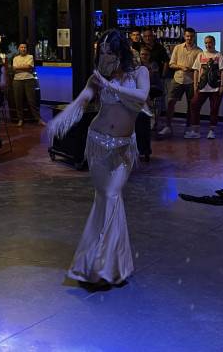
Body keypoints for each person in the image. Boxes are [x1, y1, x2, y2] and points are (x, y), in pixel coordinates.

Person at [48, 29, 150, 287]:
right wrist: (59, 121)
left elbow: (142, 97)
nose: (106, 58)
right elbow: (83, 99)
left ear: (121, 51)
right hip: (98, 143)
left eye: (110, 53)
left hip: (123, 148)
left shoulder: (139, 73)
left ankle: (103, 265)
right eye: (102, 53)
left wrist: (110, 86)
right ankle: (104, 266)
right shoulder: (98, 78)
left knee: (111, 198)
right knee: (106, 199)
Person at [159, 28, 202, 137]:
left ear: (194, 37)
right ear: (184, 36)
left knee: (191, 105)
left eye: (191, 36)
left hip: (191, 80)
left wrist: (191, 69)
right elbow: (171, 64)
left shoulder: (199, 51)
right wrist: (180, 67)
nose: (189, 38)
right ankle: (167, 127)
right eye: (187, 36)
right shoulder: (178, 48)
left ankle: (188, 128)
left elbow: (199, 68)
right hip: (178, 78)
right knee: (170, 103)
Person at [187, 36, 223, 139]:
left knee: (214, 109)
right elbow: (196, 71)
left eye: (210, 42)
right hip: (202, 87)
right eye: (206, 43)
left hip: (215, 87)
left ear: (214, 43)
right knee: (194, 105)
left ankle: (212, 131)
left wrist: (222, 86)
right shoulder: (200, 55)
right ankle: (195, 131)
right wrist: (195, 85)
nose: (208, 45)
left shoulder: (218, 55)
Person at [135, 46, 162, 161]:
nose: (144, 56)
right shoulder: (137, 65)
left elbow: (149, 79)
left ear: (149, 55)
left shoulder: (152, 65)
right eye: (142, 54)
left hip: (153, 87)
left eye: (146, 54)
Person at [12, 42, 45, 127]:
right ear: (18, 49)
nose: (23, 49)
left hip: (29, 80)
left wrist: (19, 68)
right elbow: (14, 69)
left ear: (27, 49)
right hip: (17, 80)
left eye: (25, 47)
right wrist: (25, 68)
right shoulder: (15, 58)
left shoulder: (30, 57)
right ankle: (20, 119)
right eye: (21, 47)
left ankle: (38, 119)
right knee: (18, 101)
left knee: (32, 100)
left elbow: (28, 67)